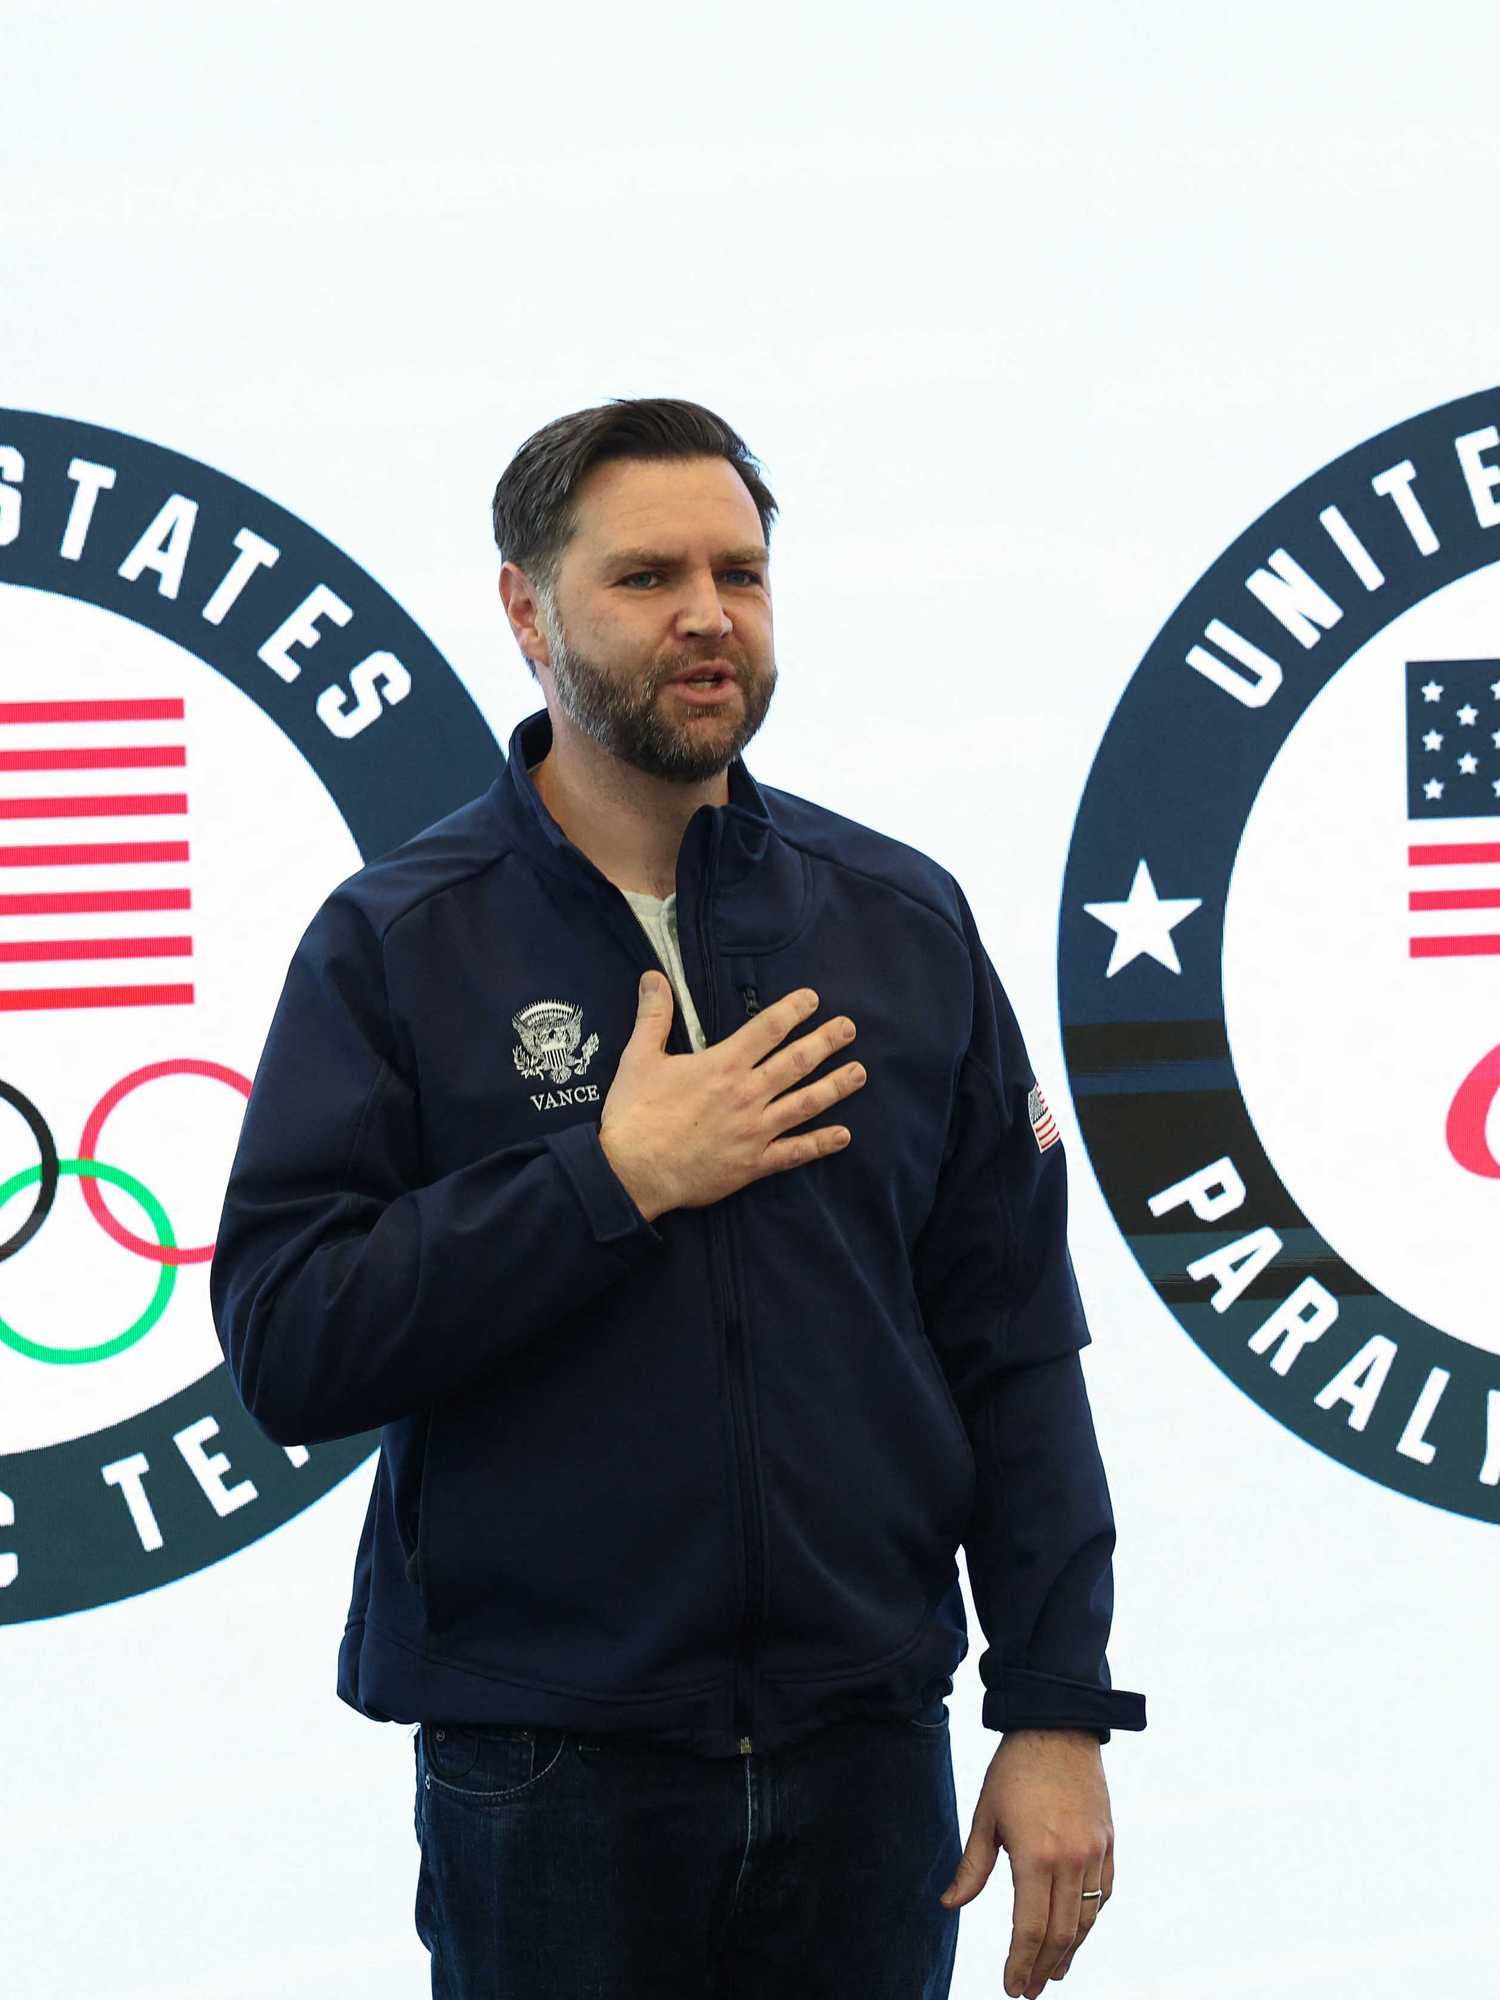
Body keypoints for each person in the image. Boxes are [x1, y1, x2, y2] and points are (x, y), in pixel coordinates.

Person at [210, 396, 1146, 2000]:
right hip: (551, 1771)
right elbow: (294, 1343)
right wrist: (610, 1178)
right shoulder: (401, 942)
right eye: (648, 576)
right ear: (526, 611)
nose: (710, 613)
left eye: (743, 571)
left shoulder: (900, 921)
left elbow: (1014, 1346)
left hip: (869, 1760)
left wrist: (1055, 1708)